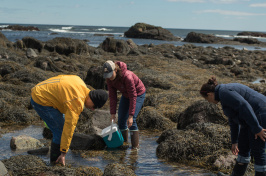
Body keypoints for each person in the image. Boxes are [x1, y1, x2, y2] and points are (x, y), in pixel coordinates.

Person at [31, 75, 108, 166]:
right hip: (40, 99)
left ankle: (51, 128)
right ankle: (54, 163)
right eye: (95, 106)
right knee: (60, 132)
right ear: (93, 98)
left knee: (60, 125)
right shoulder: (76, 103)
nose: (93, 109)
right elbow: (68, 128)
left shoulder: (80, 83)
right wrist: (63, 153)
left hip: (41, 88)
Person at [200, 76, 266, 176]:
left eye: (207, 99)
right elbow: (233, 119)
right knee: (243, 147)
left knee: (257, 149)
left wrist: (257, 128)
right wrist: (235, 141)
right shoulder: (222, 96)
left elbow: (244, 106)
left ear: (209, 94)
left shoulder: (224, 92)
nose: (209, 102)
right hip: (249, 118)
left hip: (261, 112)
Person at [102, 60, 146, 149]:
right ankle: (124, 144)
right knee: (121, 119)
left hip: (138, 94)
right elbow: (112, 96)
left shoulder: (127, 77)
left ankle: (135, 149)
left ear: (115, 70)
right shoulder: (109, 79)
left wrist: (130, 115)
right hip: (126, 95)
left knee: (131, 121)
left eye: (111, 74)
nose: (109, 77)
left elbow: (133, 96)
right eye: (107, 76)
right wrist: (113, 114)